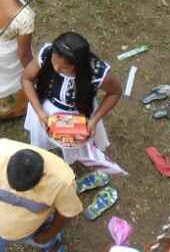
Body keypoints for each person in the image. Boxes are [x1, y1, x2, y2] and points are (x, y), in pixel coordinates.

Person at [22, 32, 122, 167]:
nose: (56, 69)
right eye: (54, 62)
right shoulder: (46, 54)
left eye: (64, 67)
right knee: (43, 137)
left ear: (79, 65)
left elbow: (115, 93)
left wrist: (94, 119)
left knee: (73, 147)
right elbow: (26, 79)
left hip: (78, 115)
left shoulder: (96, 72)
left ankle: (71, 162)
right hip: (45, 107)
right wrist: (40, 112)